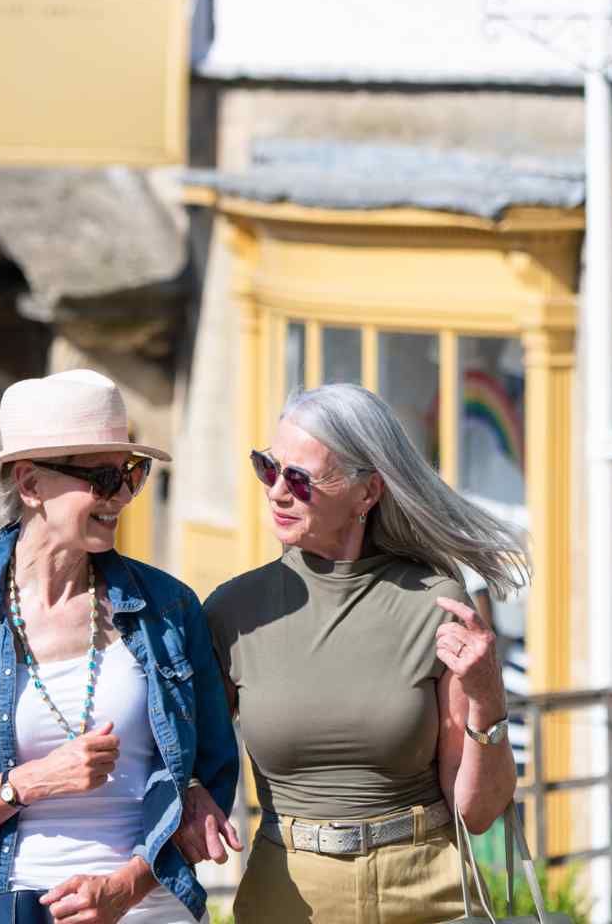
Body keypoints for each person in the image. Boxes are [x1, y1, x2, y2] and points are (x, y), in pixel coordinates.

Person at [0, 370, 239, 924]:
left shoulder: (168, 608)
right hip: (6, 908)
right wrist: (32, 781)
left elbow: (212, 773)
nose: (123, 496)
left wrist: (128, 884)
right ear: (30, 485)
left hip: (149, 908)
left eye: (132, 473)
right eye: (102, 479)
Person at [194, 384, 526, 924]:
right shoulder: (235, 611)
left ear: (366, 492)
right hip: (291, 897)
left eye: (300, 478)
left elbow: (478, 810)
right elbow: (189, 755)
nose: (277, 491)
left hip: (426, 890)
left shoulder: (434, 603)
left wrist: (488, 697)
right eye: (268, 468)